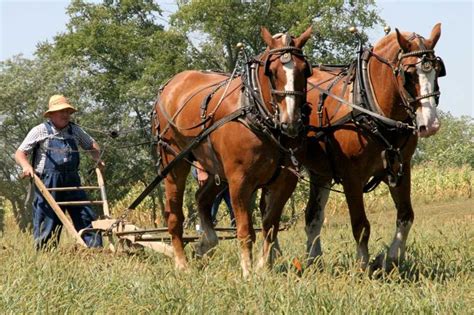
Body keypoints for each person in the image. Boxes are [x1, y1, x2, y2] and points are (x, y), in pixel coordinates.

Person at [15, 94, 104, 250]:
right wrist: (26, 167)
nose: (65, 115)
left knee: (85, 215)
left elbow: (91, 145)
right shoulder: (40, 130)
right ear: (51, 114)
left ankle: (96, 251)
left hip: (72, 180)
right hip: (48, 182)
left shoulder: (75, 130)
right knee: (48, 219)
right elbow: (20, 153)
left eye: (67, 112)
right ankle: (46, 253)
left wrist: (97, 158)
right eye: (61, 111)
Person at [192, 162, 235, 227]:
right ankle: (206, 229)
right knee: (211, 211)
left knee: (233, 207)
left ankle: (236, 226)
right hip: (215, 187)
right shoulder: (201, 162)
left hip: (226, 185)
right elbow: (196, 173)